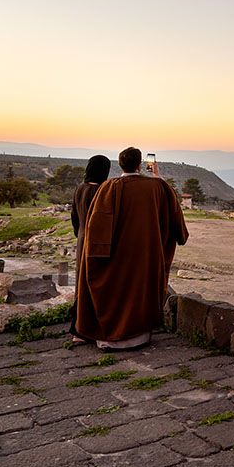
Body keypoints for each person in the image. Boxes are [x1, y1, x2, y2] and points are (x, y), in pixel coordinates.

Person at [75, 147, 188, 350]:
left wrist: (96, 256)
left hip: (117, 255)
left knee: (116, 290)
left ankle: (111, 334)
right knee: (138, 291)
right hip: (145, 255)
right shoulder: (156, 187)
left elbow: (96, 226)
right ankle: (137, 334)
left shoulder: (108, 188)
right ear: (139, 164)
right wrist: (158, 176)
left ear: (120, 164)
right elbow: (174, 212)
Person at [68, 155, 111, 343]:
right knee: (96, 284)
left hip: (82, 240)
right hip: (98, 245)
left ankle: (78, 326)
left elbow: (74, 217)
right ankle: (91, 329)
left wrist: (80, 235)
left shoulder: (80, 188)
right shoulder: (102, 192)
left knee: (81, 283)